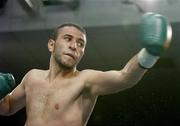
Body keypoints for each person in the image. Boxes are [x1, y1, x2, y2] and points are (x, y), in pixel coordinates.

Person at [0, 12, 172, 126]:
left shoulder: (85, 81)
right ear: (51, 45)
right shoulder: (32, 77)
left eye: (80, 44)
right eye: (67, 39)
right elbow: (7, 108)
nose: (74, 46)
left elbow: (124, 77)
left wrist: (149, 53)